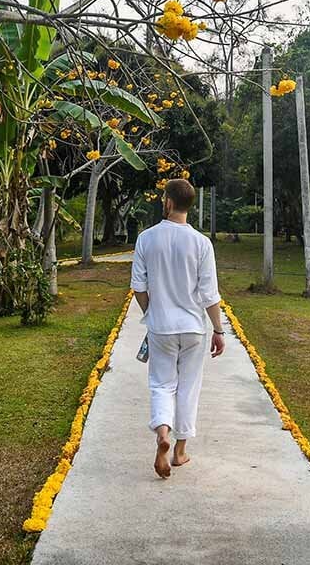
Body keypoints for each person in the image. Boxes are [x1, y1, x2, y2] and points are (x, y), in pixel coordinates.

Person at [130, 178, 225, 479]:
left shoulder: (146, 238)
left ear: (168, 202)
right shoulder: (201, 243)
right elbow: (209, 294)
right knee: (188, 387)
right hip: (194, 328)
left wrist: (152, 312)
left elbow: (138, 287)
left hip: (162, 327)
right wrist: (219, 331)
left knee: (161, 384)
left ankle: (162, 432)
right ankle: (180, 452)